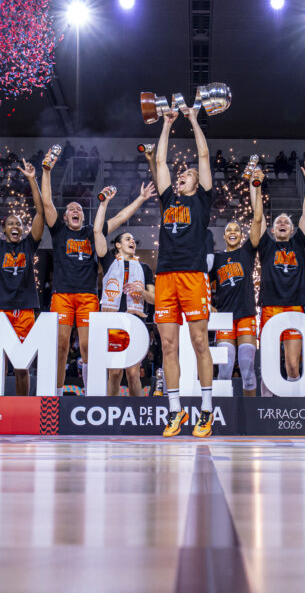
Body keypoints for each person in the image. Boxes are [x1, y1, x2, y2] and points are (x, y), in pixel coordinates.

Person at [41, 154, 149, 395]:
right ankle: (56, 396)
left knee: (89, 346)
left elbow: (121, 217)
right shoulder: (58, 231)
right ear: (66, 217)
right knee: (60, 346)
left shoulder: (92, 232)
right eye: (70, 210)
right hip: (62, 296)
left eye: (78, 209)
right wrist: (47, 171)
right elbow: (47, 202)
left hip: (88, 296)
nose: (74, 210)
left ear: (83, 216)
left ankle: (90, 395)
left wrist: (140, 199)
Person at [153, 107, 215, 438]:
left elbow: (203, 154)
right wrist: (166, 125)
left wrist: (192, 120)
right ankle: (175, 412)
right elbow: (160, 163)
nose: (183, 175)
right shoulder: (168, 200)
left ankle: (206, 410)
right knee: (167, 345)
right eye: (183, 174)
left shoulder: (202, 201)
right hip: (164, 276)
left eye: (188, 174)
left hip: (192, 275)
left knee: (199, 341)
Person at [0, 160, 48, 396]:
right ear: (4, 230)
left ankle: (24, 409)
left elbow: (40, 212)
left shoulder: (29, 245)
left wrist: (32, 180)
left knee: (22, 366)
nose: (15, 226)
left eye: (18, 223)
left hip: (25, 311)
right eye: (10, 224)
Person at [249, 160, 305, 395]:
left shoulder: (298, 243)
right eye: (278, 221)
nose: (282, 223)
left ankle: (297, 405)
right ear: (272, 230)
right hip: (269, 308)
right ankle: (267, 410)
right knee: (267, 366)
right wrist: (254, 185)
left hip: (295, 308)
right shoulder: (265, 245)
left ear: (291, 230)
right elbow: (258, 216)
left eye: (286, 222)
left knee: (292, 365)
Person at [96, 225, 155, 396]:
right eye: (127, 239)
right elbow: (97, 232)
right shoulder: (109, 262)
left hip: (136, 323)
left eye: (133, 240)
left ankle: (137, 416)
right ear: (118, 245)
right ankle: (111, 412)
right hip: (114, 323)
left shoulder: (144, 268)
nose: (132, 242)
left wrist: (141, 292)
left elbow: (154, 299)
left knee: (133, 374)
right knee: (114, 373)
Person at [209, 221, 258, 397]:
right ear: (224, 236)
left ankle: (250, 412)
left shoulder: (247, 252)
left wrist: (257, 192)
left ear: (241, 235)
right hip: (224, 317)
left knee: (247, 370)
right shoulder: (217, 258)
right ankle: (223, 416)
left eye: (237, 229)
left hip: (246, 314)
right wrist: (208, 304)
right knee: (225, 369)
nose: (232, 232)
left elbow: (258, 220)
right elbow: (202, 281)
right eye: (228, 229)